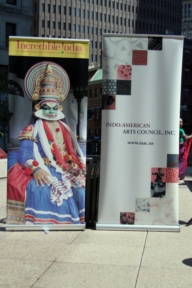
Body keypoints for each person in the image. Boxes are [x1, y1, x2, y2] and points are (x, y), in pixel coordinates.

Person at [7, 63, 86, 225]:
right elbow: (24, 153)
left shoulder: (66, 129)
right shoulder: (32, 128)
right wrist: (35, 169)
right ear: (38, 106)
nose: (50, 110)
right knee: (42, 189)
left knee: (82, 189)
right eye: (46, 106)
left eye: (53, 106)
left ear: (59, 107)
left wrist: (82, 164)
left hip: (69, 165)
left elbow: (77, 151)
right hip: (46, 166)